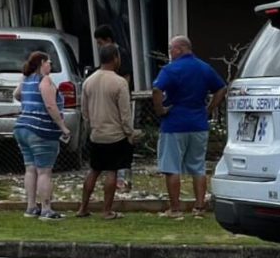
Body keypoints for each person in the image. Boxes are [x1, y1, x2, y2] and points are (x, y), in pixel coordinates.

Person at [152, 35, 227, 219]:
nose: (170, 53)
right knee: (198, 166)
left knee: (172, 167)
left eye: (171, 49)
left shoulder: (170, 70)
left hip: (174, 123)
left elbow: (156, 90)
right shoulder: (204, 68)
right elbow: (221, 88)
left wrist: (160, 110)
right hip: (198, 123)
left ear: (179, 49)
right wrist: (209, 109)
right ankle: (199, 207)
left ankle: (175, 209)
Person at [76, 44, 135, 220]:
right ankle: (107, 210)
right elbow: (125, 113)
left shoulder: (89, 82)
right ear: (115, 58)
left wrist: (90, 129)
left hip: (96, 134)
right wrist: (129, 133)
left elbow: (84, 112)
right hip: (115, 134)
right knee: (112, 171)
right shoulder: (119, 82)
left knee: (94, 170)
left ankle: (82, 207)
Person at [13, 51, 72, 221]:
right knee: (45, 171)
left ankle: (31, 207)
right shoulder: (45, 80)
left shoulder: (26, 79)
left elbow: (17, 94)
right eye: (48, 62)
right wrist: (63, 127)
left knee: (30, 169)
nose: (50, 66)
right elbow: (51, 106)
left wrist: (29, 100)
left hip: (22, 127)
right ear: (41, 63)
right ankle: (46, 209)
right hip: (41, 130)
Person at [93, 24, 135, 193]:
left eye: (100, 42)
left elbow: (126, 77)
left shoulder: (121, 55)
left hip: (117, 102)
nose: (98, 46)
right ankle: (116, 179)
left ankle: (122, 180)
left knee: (121, 147)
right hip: (106, 109)